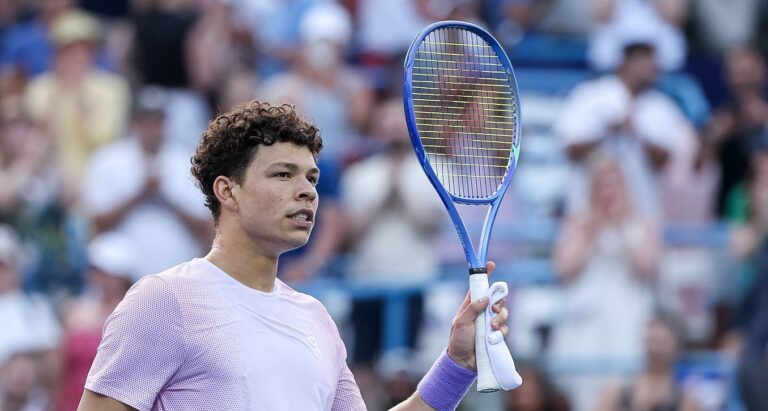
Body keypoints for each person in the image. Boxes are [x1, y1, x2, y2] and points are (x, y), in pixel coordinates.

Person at [77, 101, 511, 411]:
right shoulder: (162, 301)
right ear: (228, 191)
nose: (306, 190)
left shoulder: (315, 318)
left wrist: (457, 364)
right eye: (283, 174)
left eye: (312, 177)